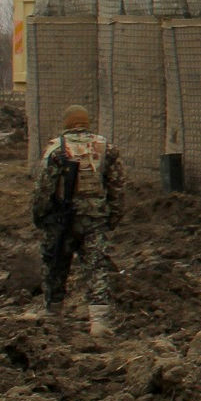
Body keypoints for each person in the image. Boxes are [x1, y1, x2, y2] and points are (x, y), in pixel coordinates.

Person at [30, 104, 125, 335]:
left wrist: (41, 217)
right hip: (95, 219)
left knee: (56, 265)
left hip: (62, 220)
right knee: (96, 267)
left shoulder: (56, 150)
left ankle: (53, 314)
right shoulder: (105, 148)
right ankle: (99, 322)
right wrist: (112, 217)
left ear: (66, 124)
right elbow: (117, 187)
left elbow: (43, 188)